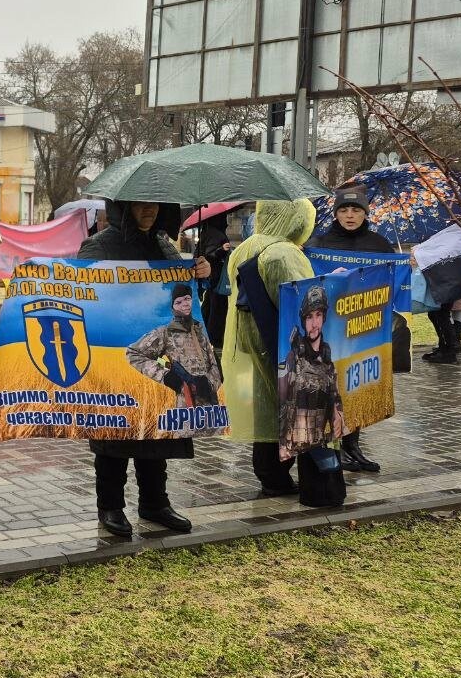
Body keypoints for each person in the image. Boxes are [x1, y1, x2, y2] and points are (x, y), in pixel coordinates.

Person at [78, 200, 210, 538]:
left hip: (158, 357)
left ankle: (154, 502)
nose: (148, 210)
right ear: (124, 208)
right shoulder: (99, 246)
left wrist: (200, 275)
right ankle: (110, 505)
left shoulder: (166, 247)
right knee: (114, 433)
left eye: (155, 204)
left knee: (155, 430)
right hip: (113, 355)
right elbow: (84, 297)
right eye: (140, 205)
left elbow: (182, 298)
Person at [223, 198, 346, 508]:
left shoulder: (245, 247)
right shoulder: (284, 253)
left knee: (267, 407)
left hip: (255, 340)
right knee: (299, 407)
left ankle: (271, 476)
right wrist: (336, 282)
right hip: (284, 343)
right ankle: (307, 484)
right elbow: (303, 300)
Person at [304, 187, 394, 470]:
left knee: (358, 385)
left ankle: (353, 444)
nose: (350, 215)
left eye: (356, 210)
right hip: (331, 328)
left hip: (366, 326)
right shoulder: (320, 243)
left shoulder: (380, 244)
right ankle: (333, 444)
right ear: (336, 214)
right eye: (344, 210)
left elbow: (393, 282)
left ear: (365, 213)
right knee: (331, 387)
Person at [126, 282, 222, 410]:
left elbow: (215, 365)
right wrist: (167, 376)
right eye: (178, 302)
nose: (184, 304)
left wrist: (209, 383)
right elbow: (133, 353)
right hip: (186, 412)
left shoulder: (201, 333)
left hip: (213, 411)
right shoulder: (165, 333)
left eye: (187, 299)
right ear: (172, 308)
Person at [277, 285, 345, 461]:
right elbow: (281, 405)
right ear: (303, 320)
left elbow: (335, 400)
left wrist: (337, 416)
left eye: (318, 315)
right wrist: (283, 445)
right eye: (309, 317)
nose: (314, 324)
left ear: (324, 318)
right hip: (293, 447)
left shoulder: (328, 365)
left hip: (319, 445)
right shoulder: (292, 359)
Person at [412, 218, 461, 365]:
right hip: (447, 281)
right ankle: (445, 347)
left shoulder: (458, 237)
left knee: (440, 314)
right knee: (437, 314)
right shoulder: (457, 235)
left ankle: (449, 351)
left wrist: (420, 253)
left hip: (448, 282)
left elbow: (442, 252)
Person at [196, 213, 233, 347]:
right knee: (218, 308)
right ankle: (214, 339)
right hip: (218, 277)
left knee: (209, 305)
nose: (226, 222)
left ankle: (203, 333)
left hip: (210, 277)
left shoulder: (205, 232)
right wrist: (222, 250)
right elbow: (212, 254)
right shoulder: (217, 234)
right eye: (224, 218)